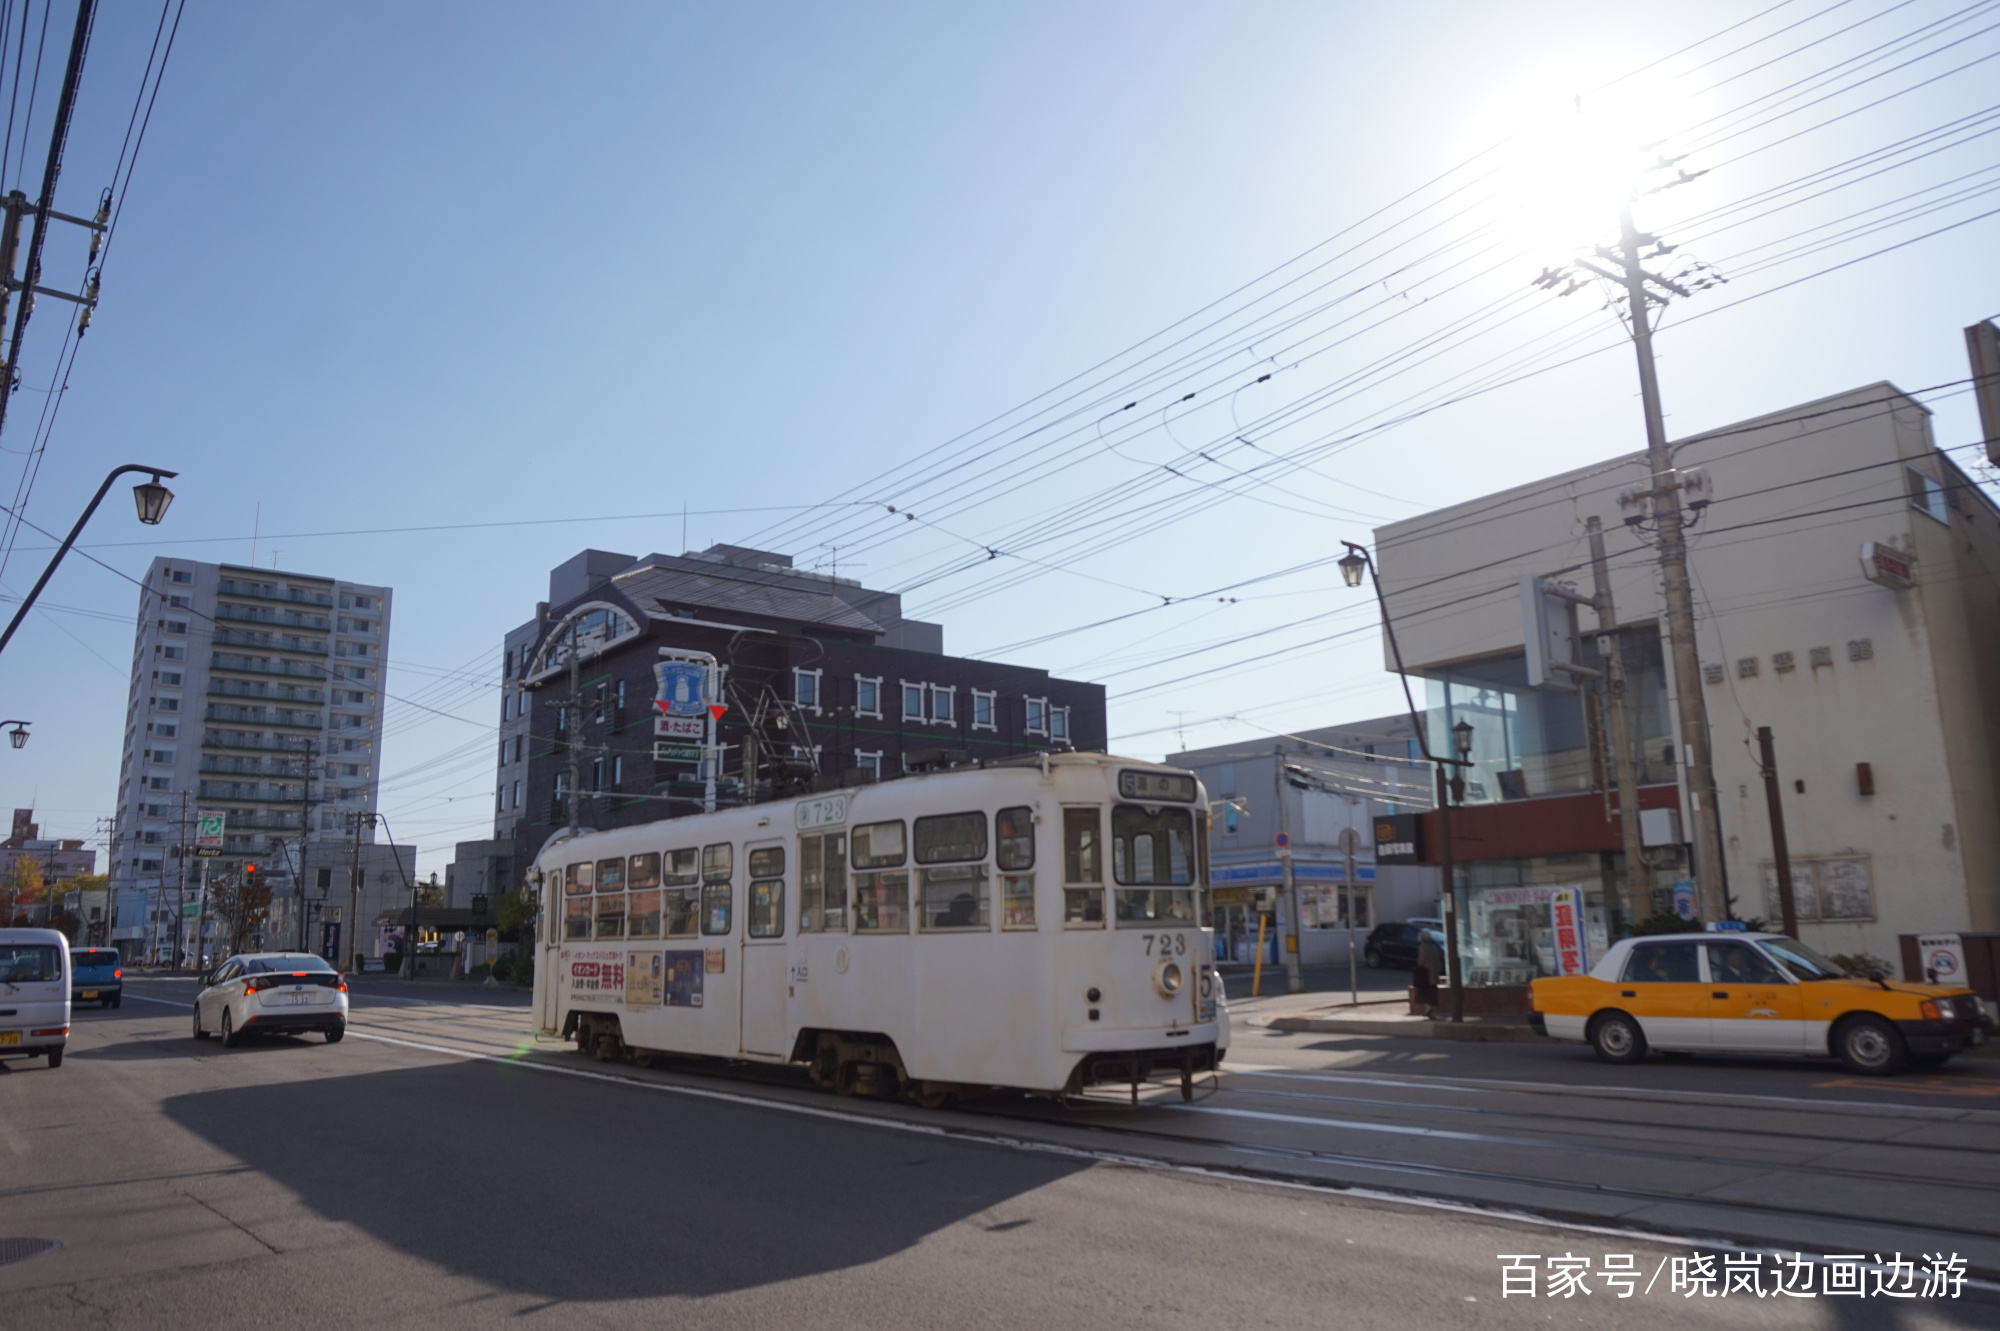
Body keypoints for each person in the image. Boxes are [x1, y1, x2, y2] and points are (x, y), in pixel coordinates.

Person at [1414, 928, 1444, 1019]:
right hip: (1434, 974)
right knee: (1432, 993)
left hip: (1425, 975)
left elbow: (1421, 961)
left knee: (1424, 992)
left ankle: (1428, 1009)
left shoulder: (1423, 948)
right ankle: (1430, 1010)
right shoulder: (1434, 948)